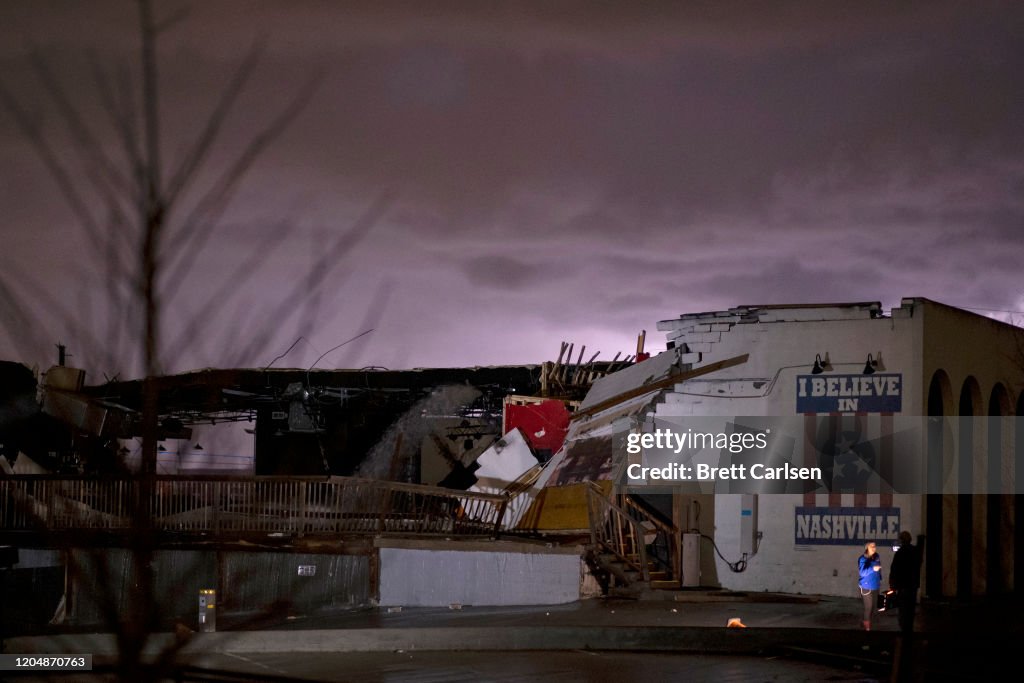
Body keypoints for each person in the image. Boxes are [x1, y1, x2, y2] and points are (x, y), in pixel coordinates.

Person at [889, 531, 922, 634]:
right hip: (913, 585)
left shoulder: (900, 553)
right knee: (911, 609)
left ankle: (904, 629)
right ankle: (909, 629)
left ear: (901, 540)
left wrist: (893, 584)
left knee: (903, 609)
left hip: (903, 586)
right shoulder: (916, 551)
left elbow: (894, 570)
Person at [858, 541, 882, 631]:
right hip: (866, 586)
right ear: (867, 548)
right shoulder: (862, 559)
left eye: (875, 546)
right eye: (872, 546)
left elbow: (878, 569)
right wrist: (873, 569)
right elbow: (862, 573)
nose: (874, 547)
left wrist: (879, 578)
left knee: (874, 607)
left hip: (875, 586)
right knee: (868, 607)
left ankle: (865, 621)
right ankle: (867, 628)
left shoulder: (877, 556)